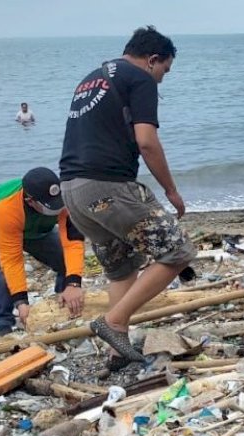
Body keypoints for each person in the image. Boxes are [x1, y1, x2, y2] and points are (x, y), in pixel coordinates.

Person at [58, 26, 197, 371]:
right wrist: (171, 189)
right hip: (108, 186)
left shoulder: (93, 77)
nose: (162, 79)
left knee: (121, 271)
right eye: (164, 70)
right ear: (153, 60)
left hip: (72, 190)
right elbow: (147, 141)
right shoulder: (140, 79)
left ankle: (117, 355)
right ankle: (115, 321)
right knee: (178, 252)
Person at [0, 167, 86, 336]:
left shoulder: (65, 199)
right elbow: (12, 260)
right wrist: (21, 302)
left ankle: (62, 303)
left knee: (64, 257)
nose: (57, 210)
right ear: (30, 200)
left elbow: (72, 243)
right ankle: (1, 323)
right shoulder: (7, 208)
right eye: (51, 207)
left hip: (30, 225)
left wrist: (74, 284)